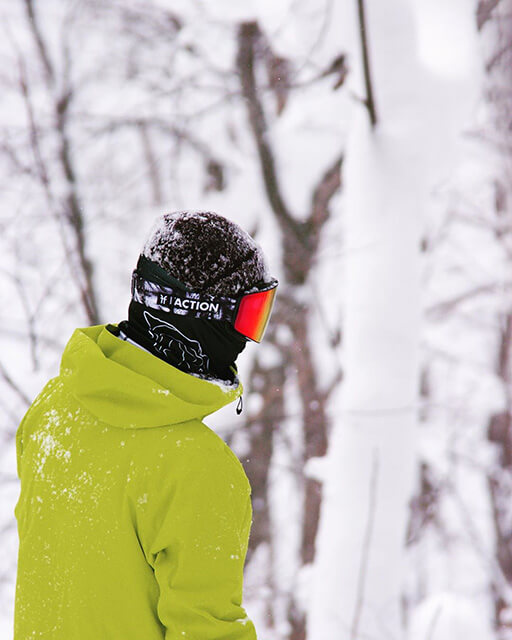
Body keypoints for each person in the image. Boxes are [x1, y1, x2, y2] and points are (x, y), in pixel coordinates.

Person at [13, 210, 278, 640]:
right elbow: (207, 632)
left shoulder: (55, 406)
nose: (247, 339)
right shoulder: (198, 468)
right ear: (198, 313)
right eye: (248, 315)